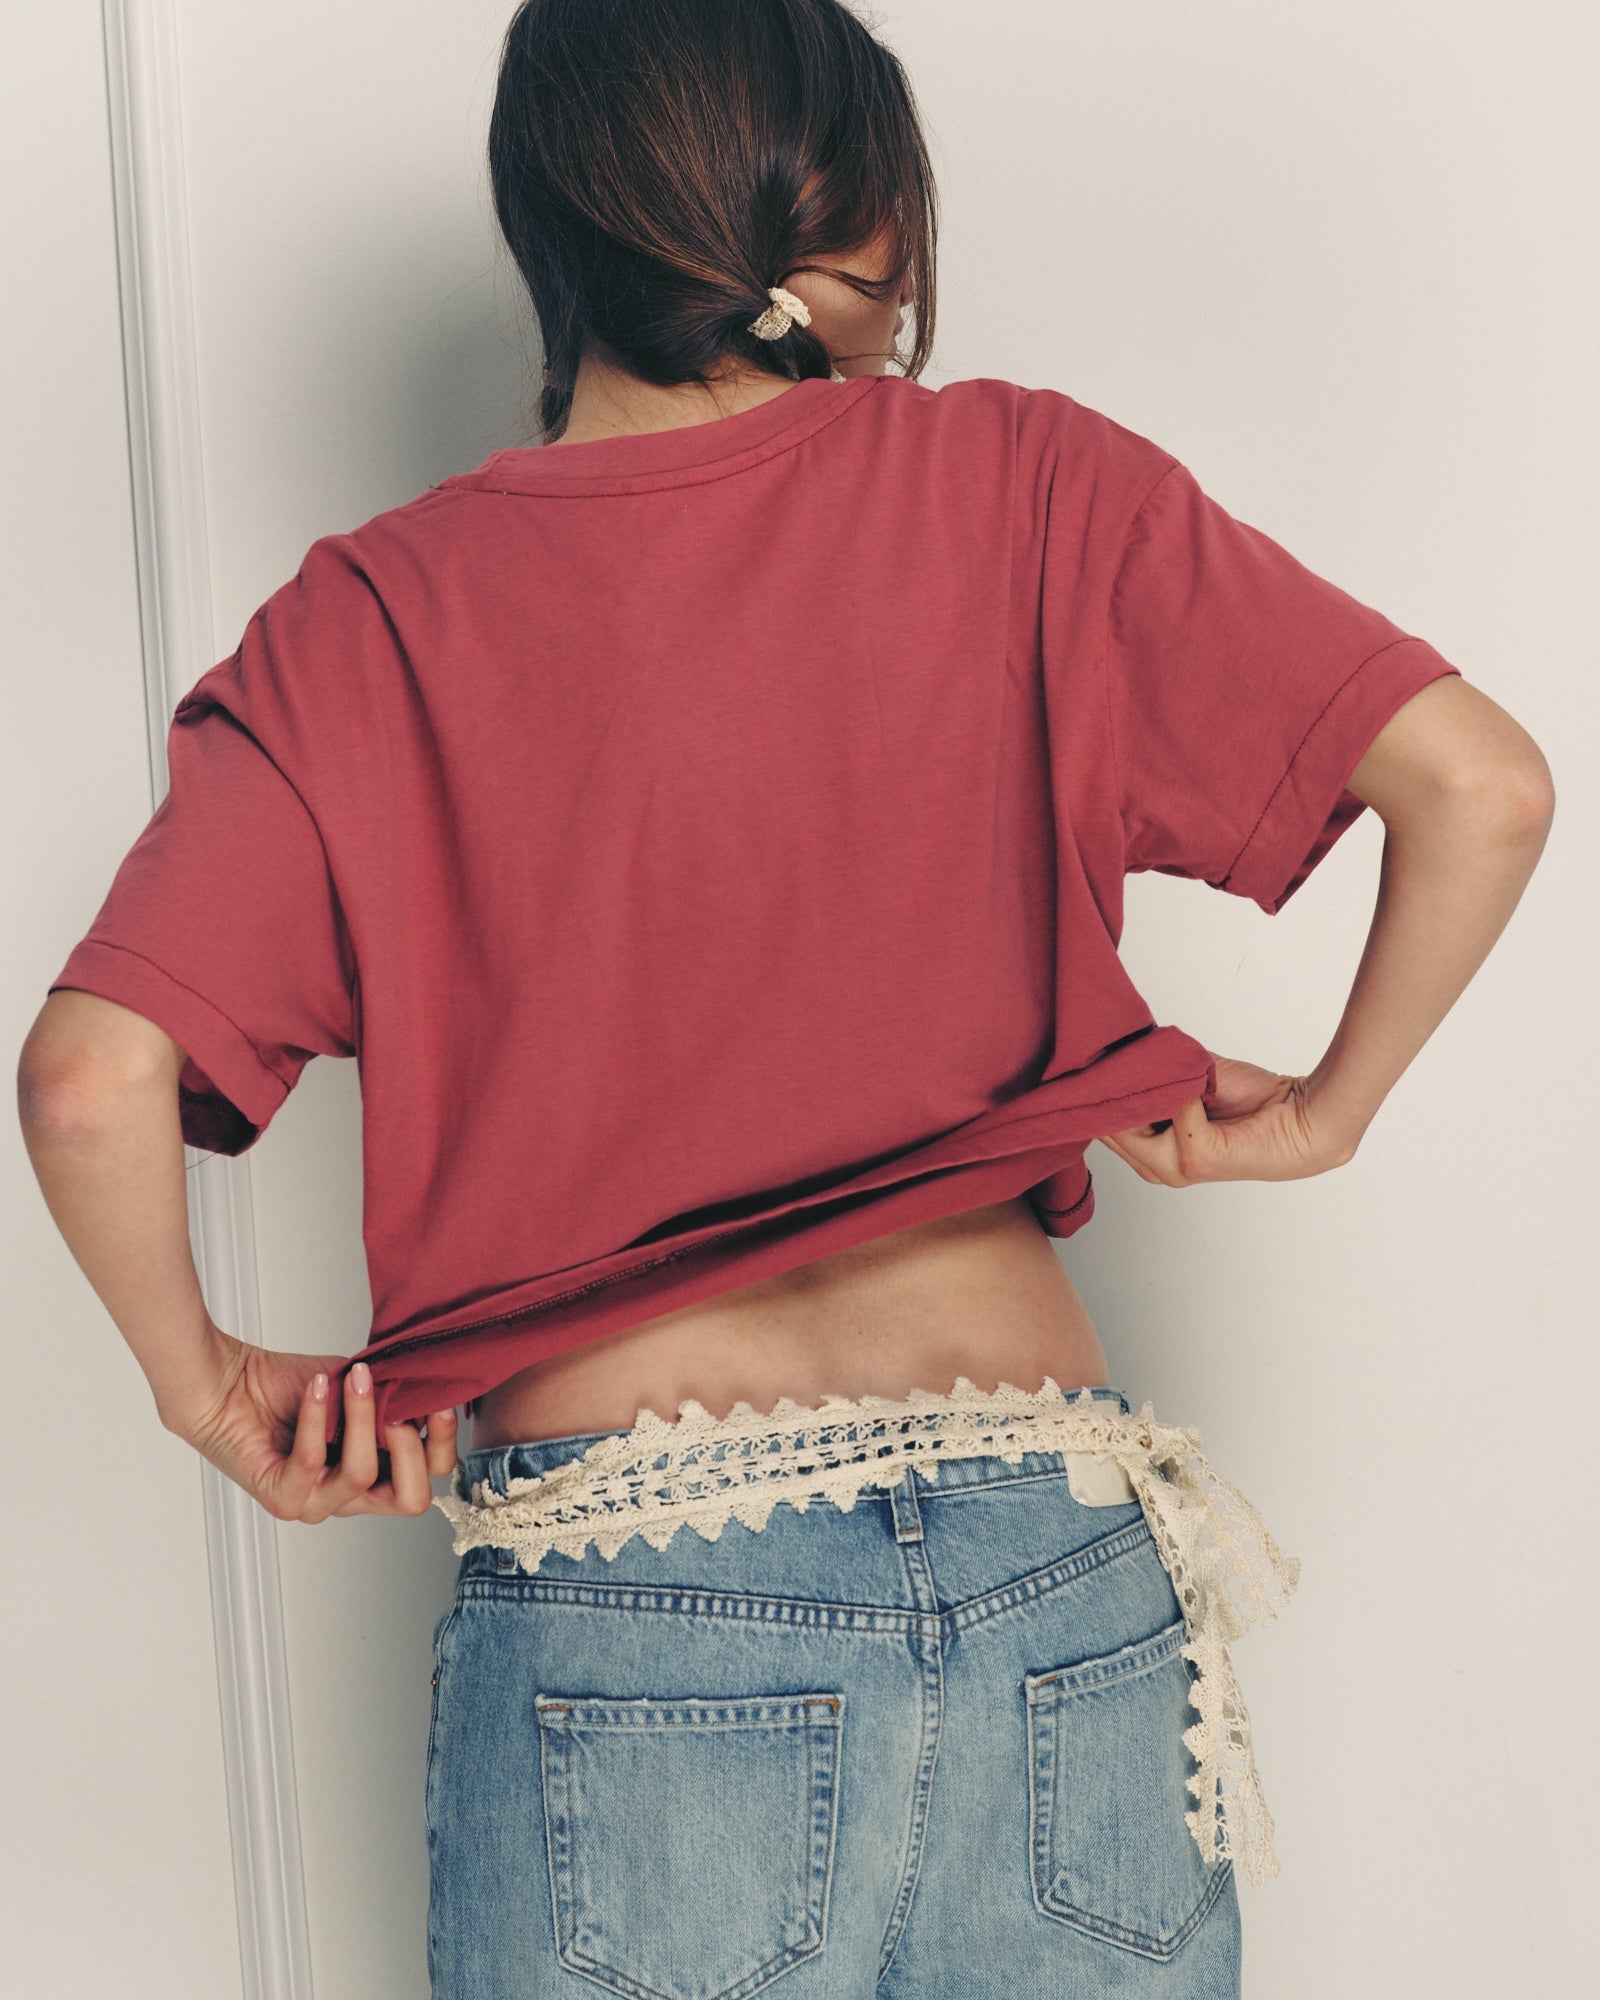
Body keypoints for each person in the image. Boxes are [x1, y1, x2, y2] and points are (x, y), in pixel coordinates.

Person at [17, 1, 1554, 1994]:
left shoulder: (369, 623)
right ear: (869, 220)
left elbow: (90, 1082)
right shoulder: (1025, 476)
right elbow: (1481, 784)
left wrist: (208, 1387)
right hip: (1060, 1554)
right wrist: (1330, 1109)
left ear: (553, 236)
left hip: (640, 1582)